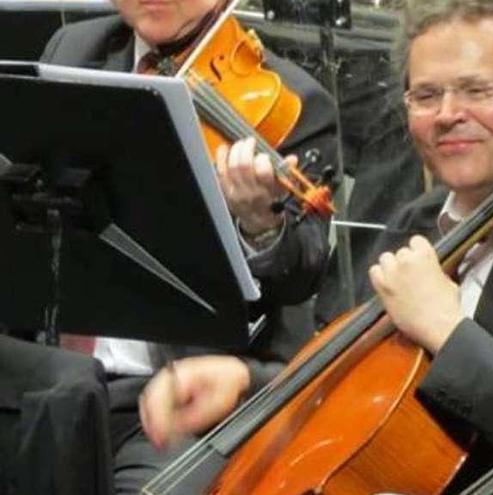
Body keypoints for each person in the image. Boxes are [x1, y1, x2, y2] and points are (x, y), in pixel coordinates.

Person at [139, 0, 493, 490]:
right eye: (426, 96)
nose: (448, 114)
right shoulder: (416, 222)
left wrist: (445, 332)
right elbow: (358, 381)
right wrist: (247, 382)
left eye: (476, 91)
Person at [13, 0, 339, 492]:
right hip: (51, 381)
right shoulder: (75, 48)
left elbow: (305, 268)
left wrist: (260, 224)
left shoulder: (291, 97)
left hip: (175, 397)